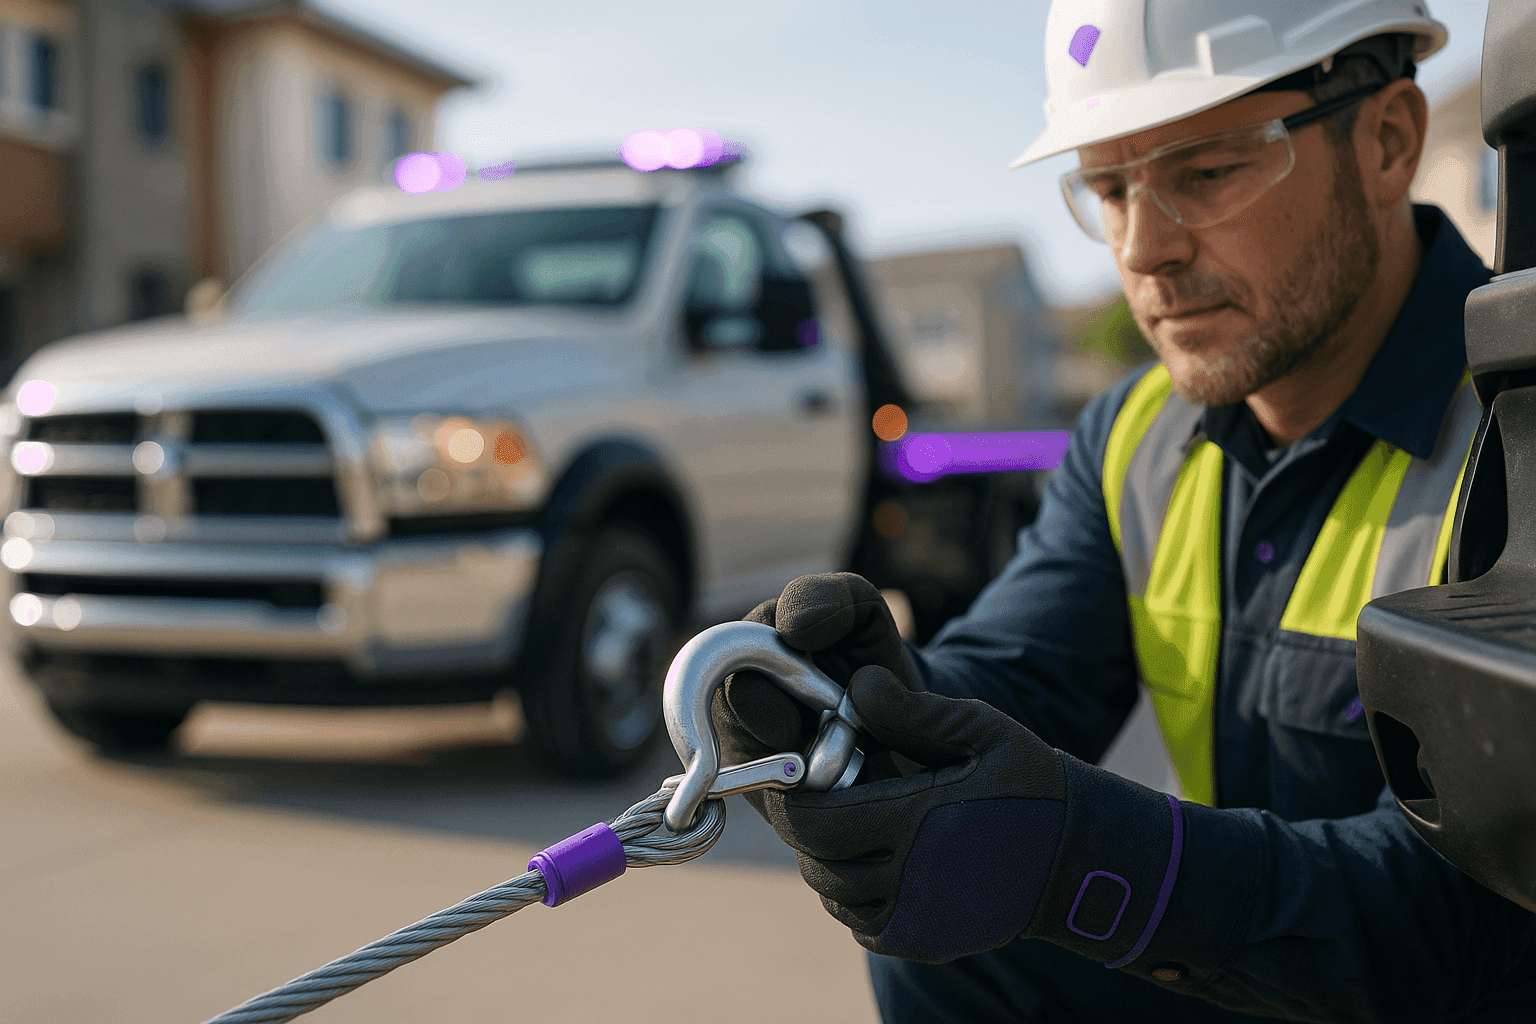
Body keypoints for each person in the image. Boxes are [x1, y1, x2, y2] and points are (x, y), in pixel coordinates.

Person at [711, 2, 1536, 1021]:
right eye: (1108, 186)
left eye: (1209, 171)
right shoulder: (1135, 434)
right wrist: (868, 703)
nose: (1143, 248)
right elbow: (1020, 676)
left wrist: (1085, 858)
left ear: (1388, 140)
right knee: (947, 929)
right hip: (1268, 972)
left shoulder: (1517, 448)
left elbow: (1466, 923)